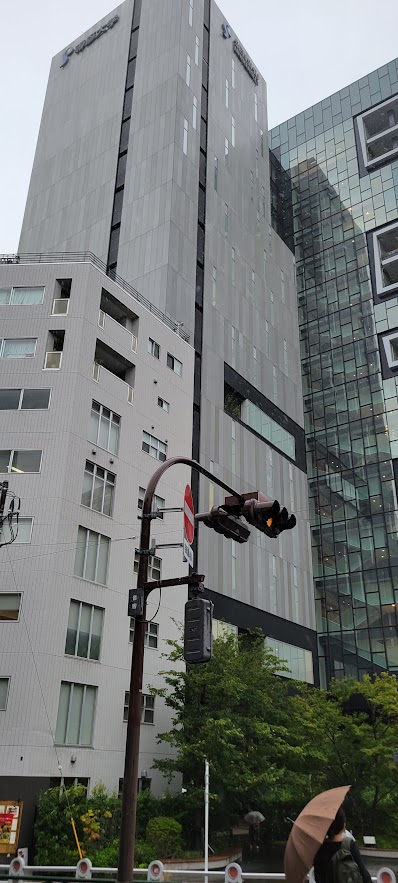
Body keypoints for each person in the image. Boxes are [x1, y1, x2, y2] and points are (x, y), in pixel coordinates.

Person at [314, 806, 371, 883]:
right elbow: (365, 876)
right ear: (344, 826)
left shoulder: (319, 849)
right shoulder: (349, 845)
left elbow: (318, 878)